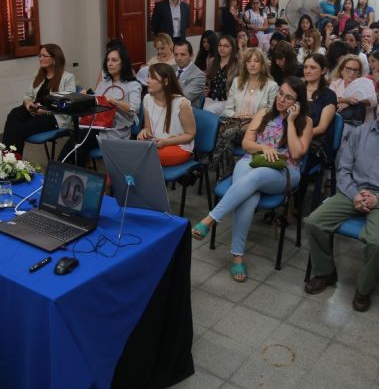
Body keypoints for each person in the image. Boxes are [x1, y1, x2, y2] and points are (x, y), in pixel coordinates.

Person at [303, 82, 379, 311]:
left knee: (377, 243)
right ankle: (326, 272)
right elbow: (344, 169)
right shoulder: (360, 132)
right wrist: (354, 193)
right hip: (352, 192)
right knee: (314, 222)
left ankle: (363, 288)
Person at [192, 77, 312, 281]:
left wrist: (290, 122)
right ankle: (237, 257)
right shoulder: (264, 113)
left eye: (289, 97)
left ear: (298, 102)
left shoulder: (305, 122)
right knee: (249, 196)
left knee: (254, 178)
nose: (281, 100)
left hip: (285, 170)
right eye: (280, 94)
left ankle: (211, 218)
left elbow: (297, 152)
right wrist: (263, 147)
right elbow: (247, 143)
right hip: (253, 159)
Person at [61, 45, 141, 167]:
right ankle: (70, 172)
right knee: (78, 143)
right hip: (98, 126)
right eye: (108, 60)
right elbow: (96, 104)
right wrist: (86, 98)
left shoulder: (133, 85)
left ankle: (60, 169)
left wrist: (114, 101)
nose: (110, 63)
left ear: (123, 63)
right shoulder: (104, 83)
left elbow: (134, 109)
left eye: (114, 60)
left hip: (116, 130)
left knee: (79, 140)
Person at [1, 44, 78, 155]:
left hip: (54, 117)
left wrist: (45, 111)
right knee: (14, 113)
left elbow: (67, 105)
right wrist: (28, 103)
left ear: (54, 58)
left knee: (19, 129)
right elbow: (28, 95)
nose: (40, 59)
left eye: (44, 56)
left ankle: (10, 160)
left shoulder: (68, 78)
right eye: (39, 56)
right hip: (35, 111)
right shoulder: (39, 75)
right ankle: (9, 159)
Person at [137, 64, 196, 166]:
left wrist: (166, 142)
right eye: (148, 76)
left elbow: (190, 135)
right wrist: (144, 131)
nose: (147, 81)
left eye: (152, 77)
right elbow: (148, 127)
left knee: (141, 159)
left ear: (165, 81)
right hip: (157, 145)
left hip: (179, 146)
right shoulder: (147, 99)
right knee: (128, 154)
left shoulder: (181, 103)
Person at [303, 53, 337, 160]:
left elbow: (322, 128)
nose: (307, 71)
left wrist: (297, 136)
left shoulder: (329, 95)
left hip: (315, 143)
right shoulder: (297, 89)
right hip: (291, 137)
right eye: (305, 67)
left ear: (323, 70)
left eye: (312, 68)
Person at [204, 35, 240, 115]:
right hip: (210, 98)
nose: (222, 48)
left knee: (208, 111)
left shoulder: (237, 65)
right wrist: (206, 89)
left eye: (226, 46)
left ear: (232, 48)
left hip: (227, 101)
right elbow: (207, 80)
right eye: (220, 45)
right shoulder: (213, 61)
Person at [173, 39, 207, 107]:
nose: (178, 58)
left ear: (191, 56)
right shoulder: (171, 68)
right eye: (176, 54)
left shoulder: (199, 75)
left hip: (186, 112)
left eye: (182, 54)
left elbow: (184, 99)